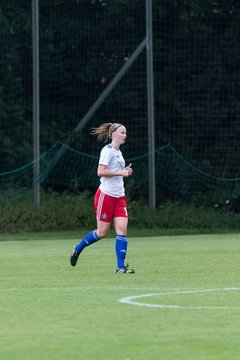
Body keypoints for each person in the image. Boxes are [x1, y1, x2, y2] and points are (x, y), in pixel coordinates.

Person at [70, 122, 135, 274]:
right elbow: (100, 171)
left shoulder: (118, 152)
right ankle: (78, 248)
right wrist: (121, 173)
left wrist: (124, 171)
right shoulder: (108, 150)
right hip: (105, 196)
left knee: (122, 229)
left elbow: (115, 171)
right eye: (122, 133)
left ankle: (120, 267)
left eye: (125, 133)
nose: (125, 135)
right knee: (102, 233)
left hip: (119, 197)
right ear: (114, 134)